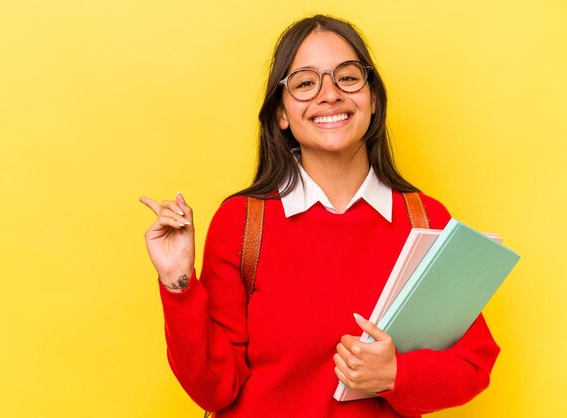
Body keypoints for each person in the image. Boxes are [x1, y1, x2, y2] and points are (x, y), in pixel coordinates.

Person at [140, 14, 500, 418]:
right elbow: (215, 389)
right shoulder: (241, 222)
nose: (329, 95)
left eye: (347, 77)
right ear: (281, 113)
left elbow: (472, 364)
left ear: (373, 99)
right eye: (306, 83)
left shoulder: (424, 218)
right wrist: (178, 283)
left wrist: (394, 374)